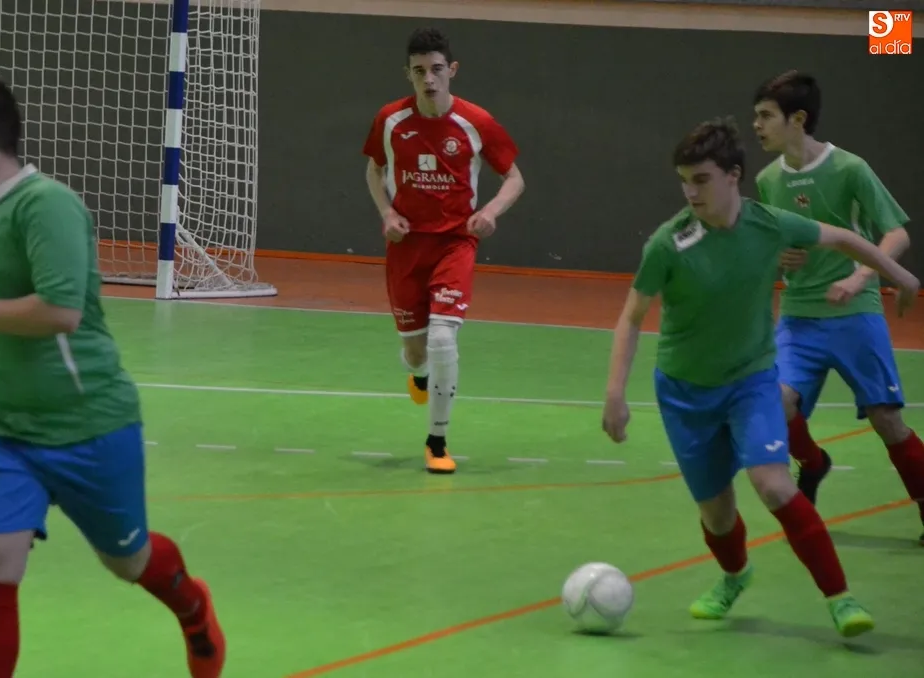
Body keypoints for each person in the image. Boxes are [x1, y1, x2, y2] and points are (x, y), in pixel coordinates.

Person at [601, 117, 919, 637]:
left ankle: (841, 598)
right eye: (684, 181)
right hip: (685, 394)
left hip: (751, 382)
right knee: (718, 514)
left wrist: (900, 275)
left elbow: (843, 238)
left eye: (701, 179)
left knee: (773, 484)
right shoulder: (668, 243)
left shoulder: (768, 224)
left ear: (733, 176)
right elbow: (631, 318)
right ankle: (735, 575)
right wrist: (615, 393)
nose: (691, 192)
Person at [0, 76, 225, 678]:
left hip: (87, 424)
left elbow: (60, 312)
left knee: (127, 561)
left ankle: (192, 605)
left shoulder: (44, 204)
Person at [752, 70, 924, 543]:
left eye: (765, 115)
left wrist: (859, 276)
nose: (757, 125)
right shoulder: (767, 180)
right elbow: (772, 244)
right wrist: (778, 256)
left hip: (855, 315)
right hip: (799, 316)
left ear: (798, 119)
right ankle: (813, 461)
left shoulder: (850, 168)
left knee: (886, 420)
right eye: (756, 116)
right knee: (775, 402)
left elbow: (896, 234)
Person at [362, 27, 525, 474]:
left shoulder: (476, 122)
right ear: (408, 74)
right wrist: (387, 213)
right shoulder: (391, 120)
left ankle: (437, 441)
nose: (428, 79)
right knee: (417, 353)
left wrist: (490, 211)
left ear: (451, 70)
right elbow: (374, 171)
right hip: (406, 246)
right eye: (419, 72)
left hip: (456, 242)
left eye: (436, 69)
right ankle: (417, 374)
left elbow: (515, 178)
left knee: (442, 338)